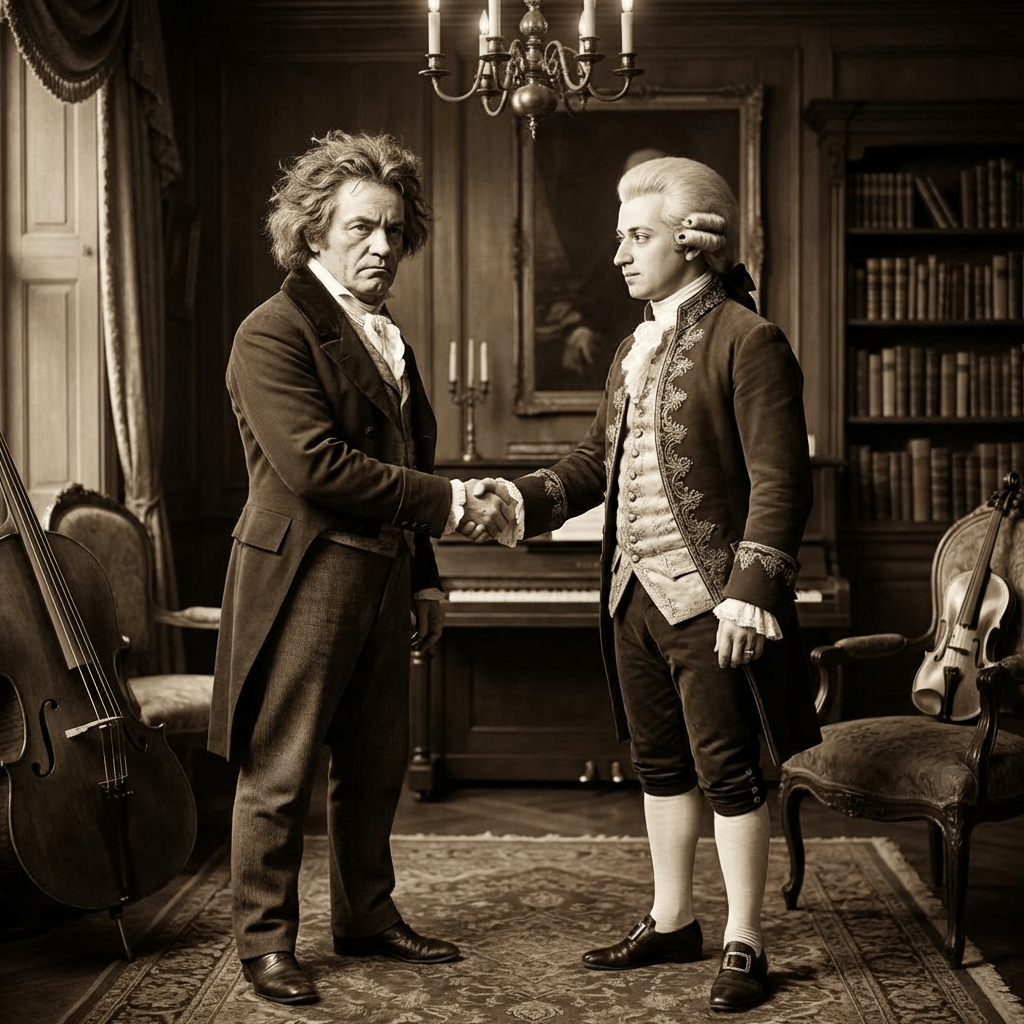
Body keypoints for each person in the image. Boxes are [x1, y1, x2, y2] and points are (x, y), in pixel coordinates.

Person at [466, 156, 821, 1012]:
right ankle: (671, 919)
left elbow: (781, 482)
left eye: (638, 237)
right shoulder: (634, 346)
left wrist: (749, 593)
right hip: (631, 594)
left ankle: (744, 938)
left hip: (710, 600)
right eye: (619, 237)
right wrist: (519, 498)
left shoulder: (749, 338)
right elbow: (598, 462)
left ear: (693, 243)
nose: (621, 255)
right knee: (660, 764)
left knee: (729, 771)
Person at [209, 129, 512, 1006]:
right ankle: (266, 943)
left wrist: (422, 575)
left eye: (392, 229)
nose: (381, 246)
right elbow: (319, 468)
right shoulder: (271, 331)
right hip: (303, 574)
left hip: (381, 575)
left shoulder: (388, 337)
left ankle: (367, 918)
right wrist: (454, 509)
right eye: (359, 229)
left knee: (377, 761)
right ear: (313, 233)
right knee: (281, 767)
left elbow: (399, 459)